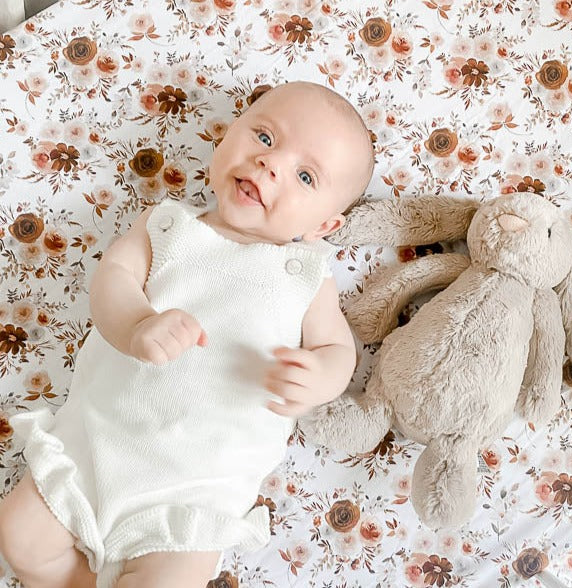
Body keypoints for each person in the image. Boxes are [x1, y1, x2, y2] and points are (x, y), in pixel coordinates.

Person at [0, 81, 375, 588]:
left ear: (323, 226)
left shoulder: (303, 275)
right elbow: (114, 278)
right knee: (19, 538)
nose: (270, 164)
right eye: (264, 137)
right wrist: (136, 324)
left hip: (194, 497)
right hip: (95, 449)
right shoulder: (168, 225)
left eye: (305, 175)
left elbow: (337, 350)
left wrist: (321, 378)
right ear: (226, 137)